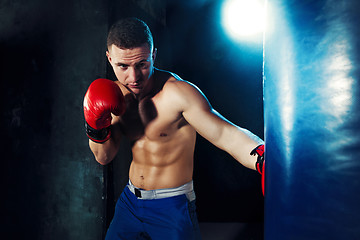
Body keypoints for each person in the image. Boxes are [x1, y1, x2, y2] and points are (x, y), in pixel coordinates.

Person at [83, 17, 265, 240]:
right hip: (129, 203)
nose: (134, 77)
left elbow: (224, 133)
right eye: (123, 66)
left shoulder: (178, 93)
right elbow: (104, 156)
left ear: (153, 55)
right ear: (110, 59)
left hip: (171, 206)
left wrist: (262, 157)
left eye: (142, 64)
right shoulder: (115, 96)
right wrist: (95, 125)